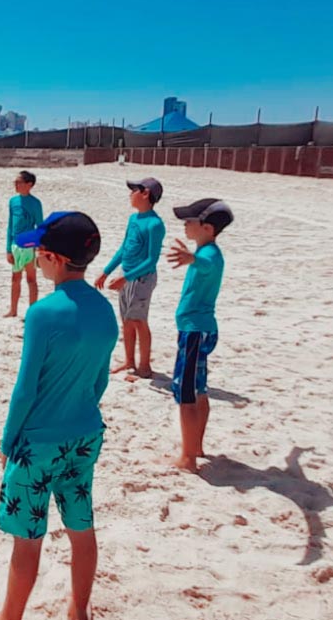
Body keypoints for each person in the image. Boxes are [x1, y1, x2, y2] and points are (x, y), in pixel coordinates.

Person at [0, 212, 118, 620]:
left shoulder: (43, 313)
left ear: (54, 258)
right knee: (81, 528)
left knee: (28, 541)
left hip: (38, 443)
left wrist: (8, 441)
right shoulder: (105, 310)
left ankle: (9, 617)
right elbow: (99, 381)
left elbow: (25, 389)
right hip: (85, 434)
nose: (36, 259)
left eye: (39, 252)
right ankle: (78, 610)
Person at [166, 198, 233, 473]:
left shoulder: (209, 255)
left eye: (189, 221)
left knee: (187, 395)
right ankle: (196, 447)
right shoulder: (207, 252)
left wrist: (191, 259)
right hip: (199, 329)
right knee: (200, 390)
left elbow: (205, 264)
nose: (185, 225)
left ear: (207, 228)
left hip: (195, 331)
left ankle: (188, 458)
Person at [95, 178, 166, 378]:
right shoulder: (133, 219)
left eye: (134, 190)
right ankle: (129, 361)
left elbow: (151, 260)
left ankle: (145, 366)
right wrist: (107, 271)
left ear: (145, 194)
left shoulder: (155, 224)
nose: (130, 194)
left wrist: (126, 278)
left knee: (139, 320)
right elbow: (124, 248)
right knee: (126, 320)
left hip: (142, 278)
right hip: (126, 274)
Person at [4, 171, 44, 317]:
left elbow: (40, 227)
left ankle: (32, 313)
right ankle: (13, 310)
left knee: (31, 279)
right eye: (15, 182)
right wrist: (8, 249)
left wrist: (39, 249)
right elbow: (10, 225)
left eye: (19, 182)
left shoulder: (35, 203)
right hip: (15, 245)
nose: (15, 185)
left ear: (29, 184)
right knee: (15, 278)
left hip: (29, 246)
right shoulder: (13, 201)